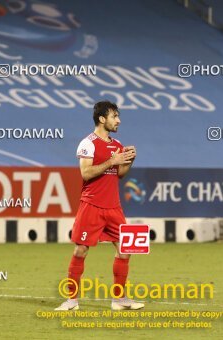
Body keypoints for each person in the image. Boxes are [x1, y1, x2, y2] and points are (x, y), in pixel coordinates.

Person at [55, 101, 144, 311]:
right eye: (114, 116)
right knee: (81, 250)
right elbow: (85, 173)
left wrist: (129, 160)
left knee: (125, 249)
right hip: (92, 205)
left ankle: (119, 300)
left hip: (113, 207)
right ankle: (71, 301)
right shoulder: (88, 143)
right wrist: (112, 161)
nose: (118, 120)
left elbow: (119, 174)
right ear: (102, 119)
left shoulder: (118, 145)